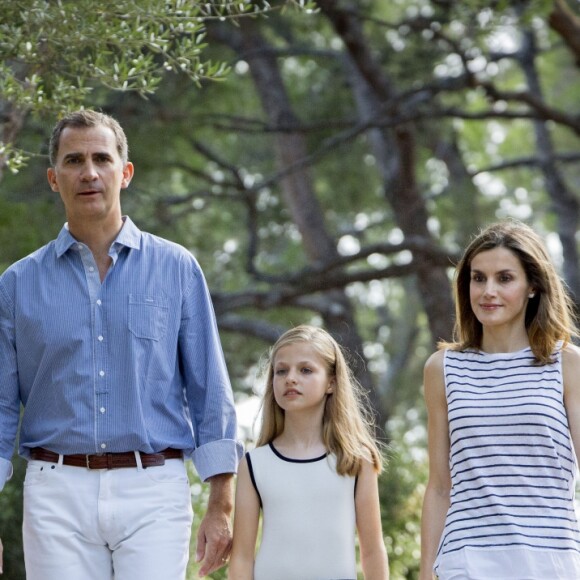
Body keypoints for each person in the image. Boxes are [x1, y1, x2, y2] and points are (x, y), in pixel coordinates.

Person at [0, 109, 243, 579]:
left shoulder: (176, 269)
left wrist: (221, 503)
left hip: (155, 488)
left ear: (124, 171)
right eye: (73, 161)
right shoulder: (16, 284)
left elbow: (209, 389)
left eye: (101, 158)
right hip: (55, 492)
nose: (89, 172)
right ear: (53, 178)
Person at [420, 220, 580, 580]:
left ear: (533, 286)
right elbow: (439, 486)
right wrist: (426, 572)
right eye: (478, 278)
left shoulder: (567, 364)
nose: (487, 291)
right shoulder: (442, 368)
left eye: (504, 278)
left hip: (550, 561)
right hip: (466, 560)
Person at [228, 324, 389, 580]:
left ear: (331, 383)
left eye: (305, 370)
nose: (290, 378)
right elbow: (242, 558)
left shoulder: (356, 460)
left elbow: (372, 551)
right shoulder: (253, 464)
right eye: (281, 371)